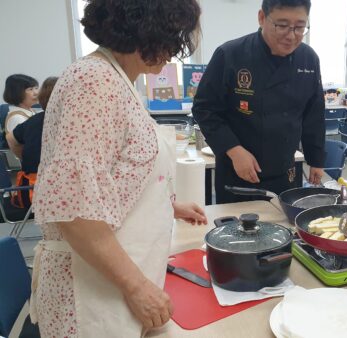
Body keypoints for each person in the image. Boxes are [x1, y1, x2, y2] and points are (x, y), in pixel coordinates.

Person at [30, 1, 205, 337]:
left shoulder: (117, 80)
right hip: (90, 290)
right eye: (172, 37)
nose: (174, 50)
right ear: (147, 29)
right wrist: (138, 287)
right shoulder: (93, 82)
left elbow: (111, 176)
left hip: (111, 278)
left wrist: (167, 206)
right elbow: (74, 212)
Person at [193, 0, 325, 204]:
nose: (291, 36)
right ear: (262, 18)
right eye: (282, 26)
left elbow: (313, 115)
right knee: (236, 232)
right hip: (237, 173)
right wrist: (234, 150)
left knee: (284, 231)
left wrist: (316, 160)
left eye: (300, 27)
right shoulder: (230, 54)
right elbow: (205, 108)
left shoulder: (309, 59)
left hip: (285, 173)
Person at [7, 76, 58, 209]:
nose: (36, 92)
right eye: (30, 89)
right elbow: (14, 141)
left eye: (36, 88)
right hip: (37, 181)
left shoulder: (33, 115)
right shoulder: (18, 117)